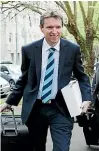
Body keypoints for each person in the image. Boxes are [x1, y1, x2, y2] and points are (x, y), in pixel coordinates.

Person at [0, 11, 92, 151]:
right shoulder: (29, 50)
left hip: (61, 107)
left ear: (61, 27)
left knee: (62, 148)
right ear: (41, 28)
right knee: (36, 148)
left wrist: (86, 98)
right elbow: (24, 79)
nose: (54, 31)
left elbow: (82, 76)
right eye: (49, 27)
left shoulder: (72, 49)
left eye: (58, 27)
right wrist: (10, 101)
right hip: (35, 108)